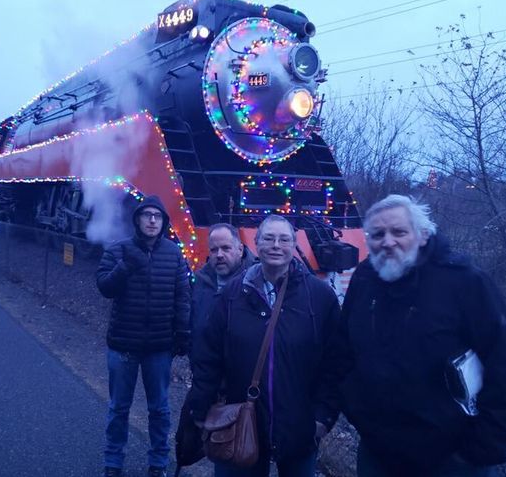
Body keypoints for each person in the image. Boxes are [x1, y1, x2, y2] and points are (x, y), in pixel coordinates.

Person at [333, 194, 506, 477]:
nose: (387, 241)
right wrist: (357, 412)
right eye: (377, 234)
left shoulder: (464, 281)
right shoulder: (365, 278)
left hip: (452, 459)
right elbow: (343, 350)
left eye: (398, 231)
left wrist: (481, 449)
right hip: (379, 453)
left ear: (423, 234)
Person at [188, 215, 341, 477]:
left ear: (294, 245)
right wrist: (202, 404)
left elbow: (335, 360)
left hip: (299, 424)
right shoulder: (233, 294)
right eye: (268, 238)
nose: (276, 245)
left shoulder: (320, 296)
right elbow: (209, 355)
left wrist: (323, 417)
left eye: (284, 239)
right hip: (239, 421)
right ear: (256, 244)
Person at [96, 195, 191, 477]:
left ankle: (158, 463)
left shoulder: (174, 253)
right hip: (123, 344)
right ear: (137, 219)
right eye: (147, 215)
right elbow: (104, 287)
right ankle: (113, 463)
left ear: (163, 222)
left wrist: (183, 331)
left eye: (157, 216)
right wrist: (126, 266)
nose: (152, 220)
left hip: (159, 346)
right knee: (118, 409)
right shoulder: (118, 250)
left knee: (160, 410)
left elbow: (182, 295)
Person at [190, 223, 256, 364]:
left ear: (240, 249)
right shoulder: (200, 282)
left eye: (226, 248)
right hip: (205, 371)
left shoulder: (258, 282)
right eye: (214, 250)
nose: (219, 255)